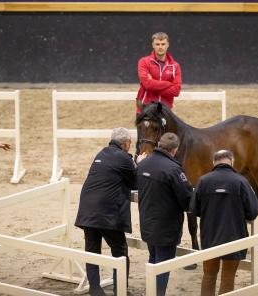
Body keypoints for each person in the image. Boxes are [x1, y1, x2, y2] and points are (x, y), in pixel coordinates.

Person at [75, 127, 145, 296]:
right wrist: (140, 163)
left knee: (92, 252)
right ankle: (120, 290)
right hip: (107, 213)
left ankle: (95, 289)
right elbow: (137, 183)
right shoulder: (124, 158)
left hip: (87, 210)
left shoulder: (101, 153)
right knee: (120, 252)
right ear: (126, 144)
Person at [191, 149, 258, 296]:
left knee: (208, 276)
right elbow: (253, 212)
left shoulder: (203, 181)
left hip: (210, 237)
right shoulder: (241, 181)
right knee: (228, 279)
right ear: (232, 161)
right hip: (234, 238)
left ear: (214, 162)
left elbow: (193, 209)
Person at [136, 132, 192, 296]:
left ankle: (151, 292)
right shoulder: (174, 169)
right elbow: (186, 199)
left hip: (147, 223)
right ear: (174, 150)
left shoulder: (143, 165)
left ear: (159, 145)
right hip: (166, 227)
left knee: (153, 259)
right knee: (163, 264)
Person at [135, 31, 182, 114]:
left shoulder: (175, 66)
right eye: (157, 44)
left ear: (167, 45)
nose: (160, 47)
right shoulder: (143, 62)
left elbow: (176, 91)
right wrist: (169, 84)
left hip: (165, 111)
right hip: (145, 109)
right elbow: (147, 84)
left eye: (163, 44)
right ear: (153, 45)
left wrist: (152, 84)